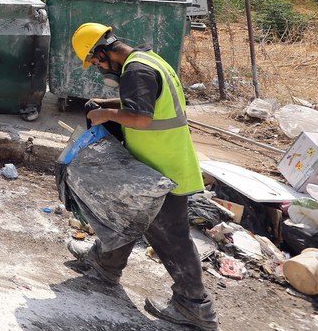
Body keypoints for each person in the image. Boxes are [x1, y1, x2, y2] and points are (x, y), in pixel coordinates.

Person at [67, 22, 219, 330]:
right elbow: (146, 103)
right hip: (158, 163)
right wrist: (108, 104)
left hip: (164, 169)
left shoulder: (136, 71)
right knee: (129, 215)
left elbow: (141, 116)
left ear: (103, 51)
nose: (98, 68)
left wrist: (106, 114)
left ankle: (195, 306)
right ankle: (105, 263)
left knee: (170, 237)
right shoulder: (148, 60)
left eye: (95, 61)